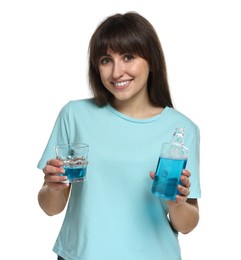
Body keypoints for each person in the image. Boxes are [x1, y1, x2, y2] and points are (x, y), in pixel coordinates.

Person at [37, 11, 201, 260]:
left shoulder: (181, 129)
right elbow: (51, 208)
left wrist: (177, 202)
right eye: (106, 60)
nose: (116, 72)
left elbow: (187, 224)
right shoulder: (74, 115)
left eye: (128, 57)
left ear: (152, 61)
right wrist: (53, 187)